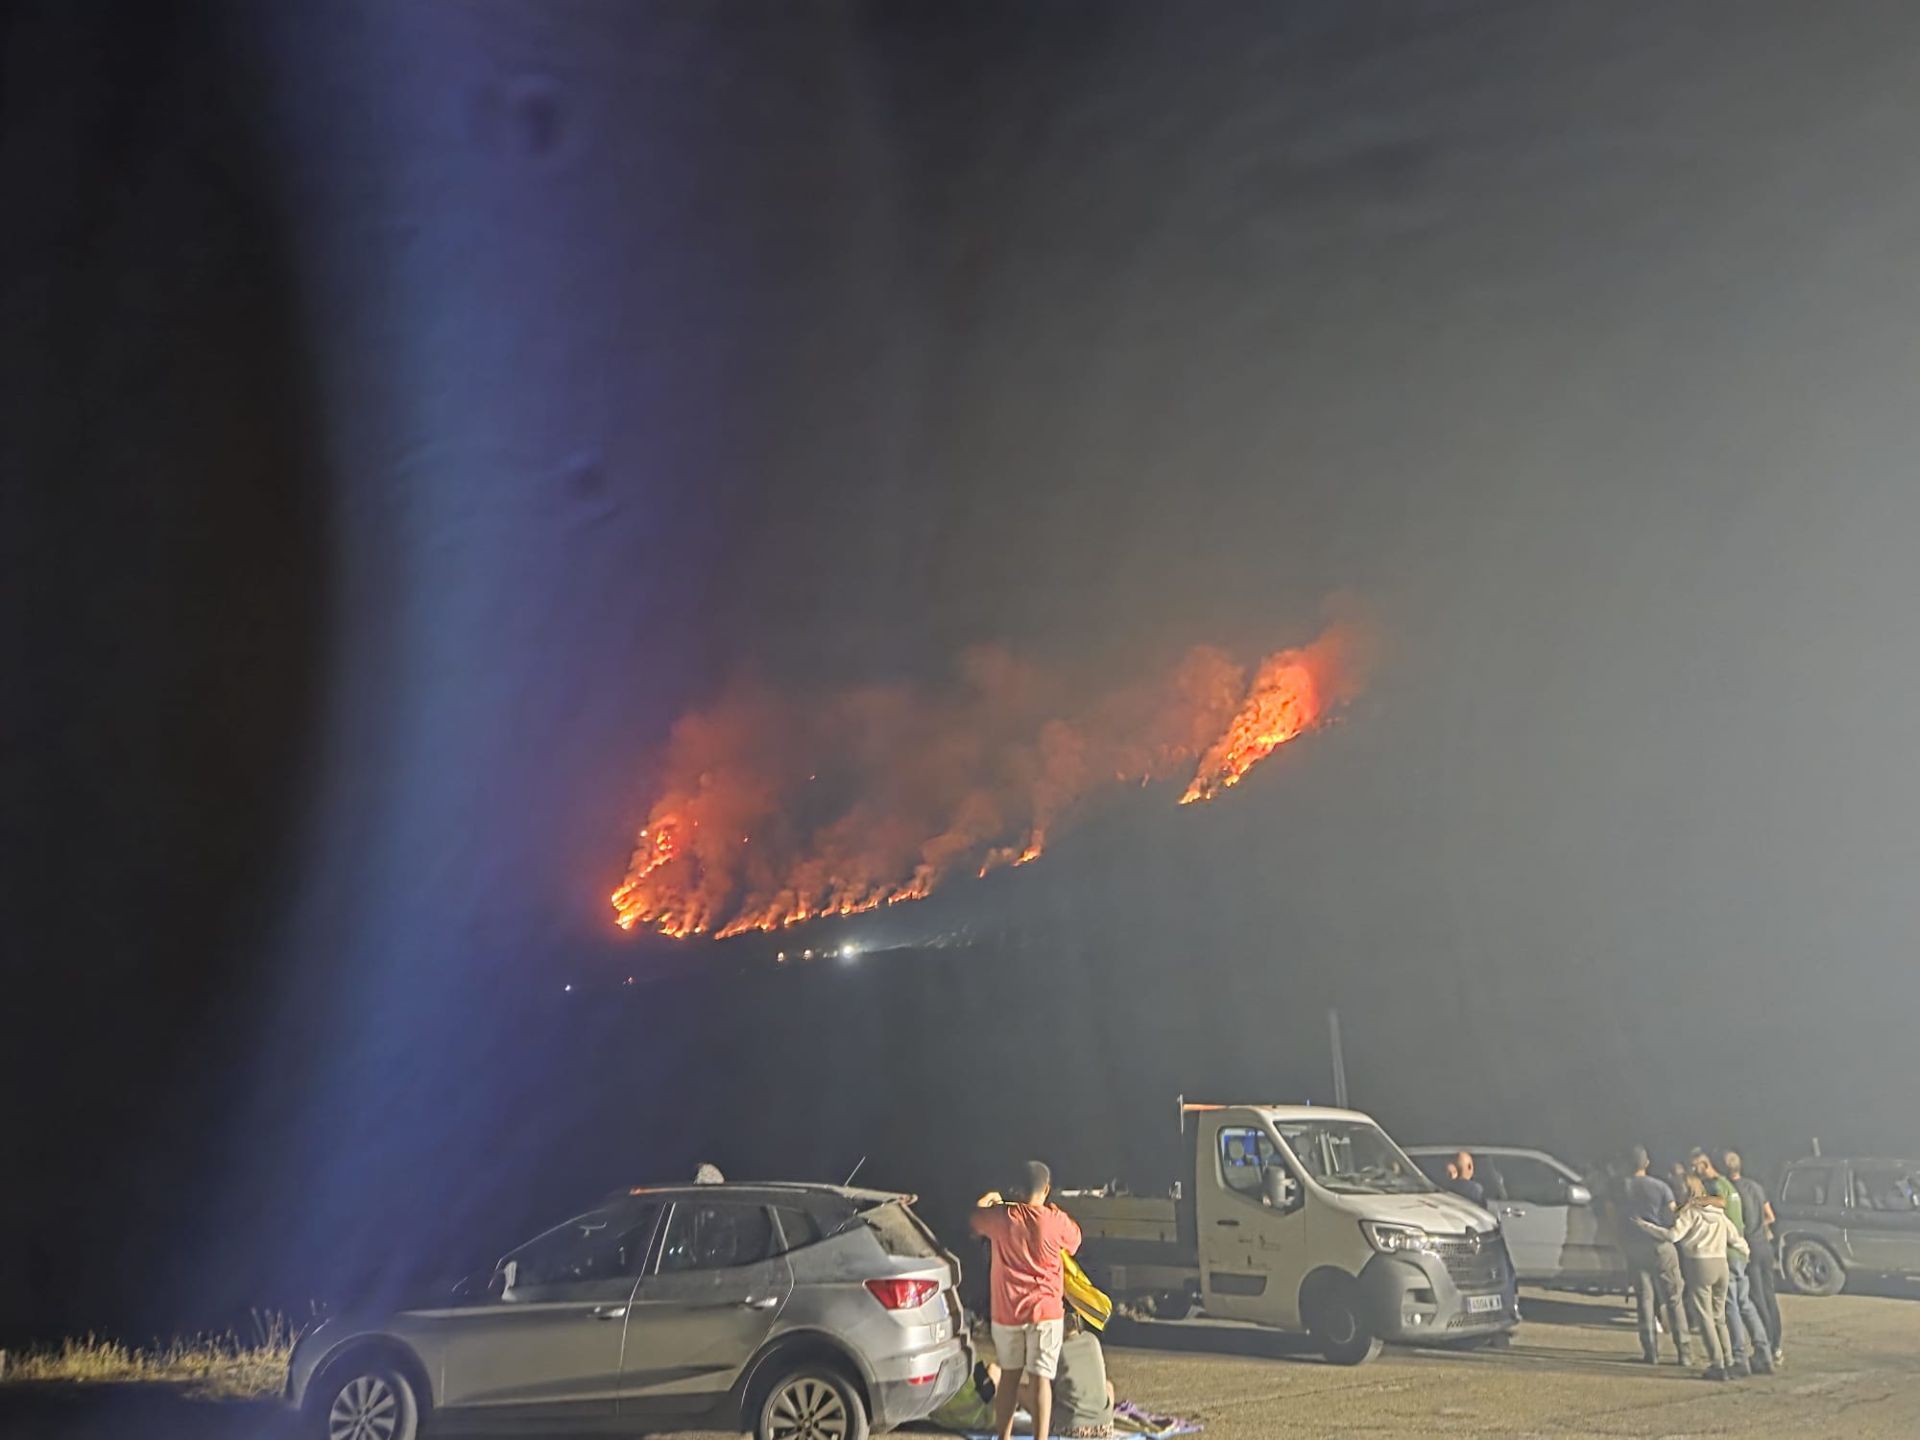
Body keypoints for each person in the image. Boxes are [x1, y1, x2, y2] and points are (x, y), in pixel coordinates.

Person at [971, 1161, 1083, 1440]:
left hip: (1007, 1313)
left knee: (1008, 1378)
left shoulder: (1002, 1217)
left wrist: (990, 1200)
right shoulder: (1054, 1219)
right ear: (1046, 1189)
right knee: (1040, 1380)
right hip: (1045, 1313)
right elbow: (1075, 1240)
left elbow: (973, 1219)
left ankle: (1003, 1437)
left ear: (1017, 1189)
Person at [1637, 1175, 1742, 1380]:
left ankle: (1717, 1364)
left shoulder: (1691, 1213)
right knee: (1719, 1316)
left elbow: (1673, 1236)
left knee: (1705, 1316)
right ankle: (1729, 1360)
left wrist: (1647, 1227)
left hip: (1700, 1264)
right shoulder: (1718, 1213)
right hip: (1721, 1263)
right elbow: (1734, 1237)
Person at [1691, 1149, 1772, 1375]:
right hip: (1740, 1251)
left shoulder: (1716, 1189)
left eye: (1694, 1166)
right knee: (1745, 1303)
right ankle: (1763, 1352)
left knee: (1731, 1306)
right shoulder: (1729, 1186)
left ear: (1704, 1165)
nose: (1693, 1172)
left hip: (1726, 1253)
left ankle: (1739, 1358)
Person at [1614, 1147, 1691, 1366]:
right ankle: (1684, 1351)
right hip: (1660, 1245)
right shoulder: (1660, 1187)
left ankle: (1650, 1352)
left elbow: (1613, 1216)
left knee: (1644, 1300)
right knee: (1674, 1298)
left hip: (1634, 1247)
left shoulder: (1621, 1188)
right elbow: (1673, 1214)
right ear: (1646, 1163)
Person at [1724, 1149, 1784, 1367]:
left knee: (1755, 1298)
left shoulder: (1731, 1192)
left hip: (1748, 1247)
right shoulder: (1756, 1187)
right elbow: (1770, 1216)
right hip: (1764, 1246)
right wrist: (1760, 1228)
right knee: (1769, 1296)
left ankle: (1765, 1346)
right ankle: (1776, 1344)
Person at [1053, 1305, 1115, 1438]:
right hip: (1104, 1427)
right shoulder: (1092, 1340)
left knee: (1028, 1390)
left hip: (1072, 1428)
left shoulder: (1056, 1348)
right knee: (1108, 1385)